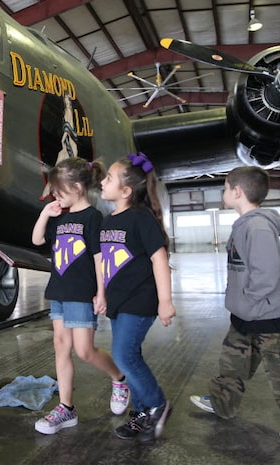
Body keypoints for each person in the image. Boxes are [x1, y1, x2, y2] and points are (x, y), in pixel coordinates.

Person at [190, 166, 280, 444]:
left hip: (265, 316)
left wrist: (250, 302)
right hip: (245, 313)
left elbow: (266, 274)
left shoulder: (257, 226)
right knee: (232, 361)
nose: (224, 192)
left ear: (237, 192)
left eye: (226, 188)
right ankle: (222, 404)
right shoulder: (246, 224)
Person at [32, 157, 129, 435]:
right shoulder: (58, 216)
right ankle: (66, 408)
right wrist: (45, 214)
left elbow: (100, 258)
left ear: (76, 187)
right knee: (60, 346)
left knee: (84, 351)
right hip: (59, 291)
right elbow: (38, 240)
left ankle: (119, 378)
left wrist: (101, 292)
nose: (55, 196)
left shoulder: (92, 217)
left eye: (59, 191)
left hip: (81, 293)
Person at [98, 152, 175, 442]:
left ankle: (157, 404)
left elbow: (159, 258)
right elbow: (105, 263)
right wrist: (102, 295)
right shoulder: (108, 221)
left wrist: (165, 300)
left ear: (126, 191)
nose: (103, 182)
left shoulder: (141, 218)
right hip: (119, 302)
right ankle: (142, 413)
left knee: (122, 355)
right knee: (131, 354)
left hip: (141, 299)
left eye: (109, 178)